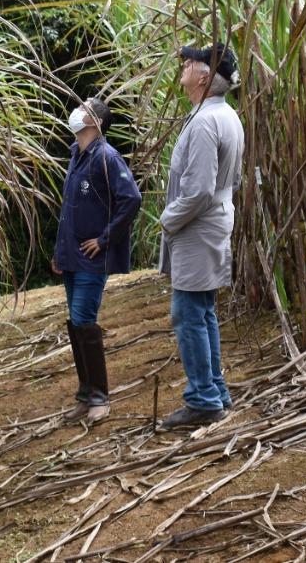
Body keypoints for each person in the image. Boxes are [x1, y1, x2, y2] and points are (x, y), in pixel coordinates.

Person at [158, 43, 245, 430]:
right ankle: (215, 391)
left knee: (188, 312)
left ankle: (204, 399)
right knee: (201, 310)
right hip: (211, 222)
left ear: (205, 76)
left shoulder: (208, 121)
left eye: (191, 62)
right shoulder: (222, 116)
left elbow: (197, 191)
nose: (185, 66)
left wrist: (168, 219)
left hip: (199, 225)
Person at [51, 97, 143, 422]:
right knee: (76, 325)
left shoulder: (106, 156)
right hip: (72, 257)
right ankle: (85, 396)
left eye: (85, 108)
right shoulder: (77, 154)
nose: (77, 111)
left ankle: (100, 398)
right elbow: (69, 211)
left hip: (92, 258)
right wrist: (59, 254)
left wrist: (105, 239)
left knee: (83, 321)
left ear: (96, 122)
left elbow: (131, 199)